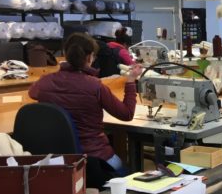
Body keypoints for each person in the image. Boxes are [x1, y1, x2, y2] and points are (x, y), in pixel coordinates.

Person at [29, 33, 143, 174]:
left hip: (59, 160)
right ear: (90, 57)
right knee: (127, 173)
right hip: (94, 157)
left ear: (65, 53)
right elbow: (127, 114)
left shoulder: (44, 82)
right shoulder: (95, 86)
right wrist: (131, 80)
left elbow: (32, 93)